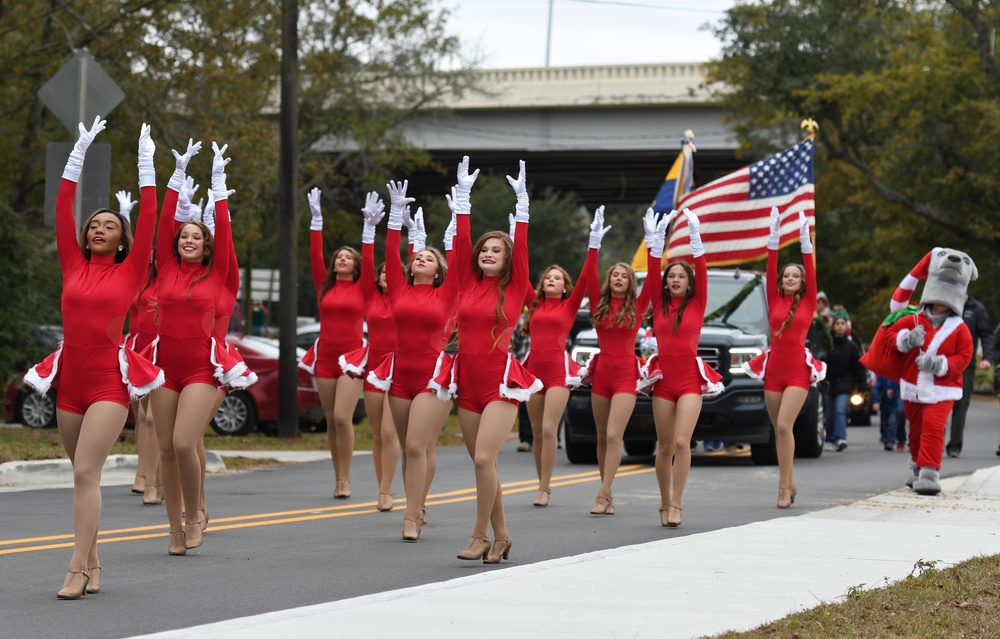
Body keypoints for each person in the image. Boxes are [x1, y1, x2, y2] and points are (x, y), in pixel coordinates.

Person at [29, 118, 160, 598]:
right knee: (83, 478)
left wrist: (146, 165)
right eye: (95, 225)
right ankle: (96, 562)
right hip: (71, 384)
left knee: (86, 473)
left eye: (110, 225)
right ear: (86, 237)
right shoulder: (71, 263)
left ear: (122, 241)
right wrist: (77, 153)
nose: (100, 228)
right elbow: (64, 206)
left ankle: (76, 568)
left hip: (108, 382)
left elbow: (148, 220)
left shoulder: (129, 274)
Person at [451, 157, 538, 564]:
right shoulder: (466, 282)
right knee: (481, 465)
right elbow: (460, 245)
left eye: (496, 251)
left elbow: (520, 247)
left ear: (507, 260)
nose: (488, 254)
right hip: (465, 382)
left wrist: (522, 206)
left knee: (486, 458)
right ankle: (503, 536)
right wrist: (462, 201)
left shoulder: (516, 286)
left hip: (500, 382)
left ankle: (479, 534)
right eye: (484, 249)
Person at [150, 139, 235, 555]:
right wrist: (176, 174)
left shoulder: (219, 273)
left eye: (196, 236)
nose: (188, 239)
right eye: (183, 235)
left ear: (206, 244)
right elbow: (164, 220)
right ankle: (173, 528)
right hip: (165, 368)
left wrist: (218, 185)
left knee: (185, 442)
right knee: (165, 448)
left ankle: (194, 515)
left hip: (203, 368)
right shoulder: (165, 267)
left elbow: (225, 236)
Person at [373, 180, 461, 541]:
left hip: (432, 378)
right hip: (400, 377)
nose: (420, 258)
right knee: (418, 448)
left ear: (438, 270)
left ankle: (411, 515)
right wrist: (395, 214)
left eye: (428, 257)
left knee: (414, 445)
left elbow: (459, 258)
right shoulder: (398, 288)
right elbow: (392, 252)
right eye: (417, 257)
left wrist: (458, 219)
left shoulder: (446, 293)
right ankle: (418, 503)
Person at [520, 207, 606, 507]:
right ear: (542, 284)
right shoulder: (533, 304)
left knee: (548, 429)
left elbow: (586, 276)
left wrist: (593, 242)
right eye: (548, 278)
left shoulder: (568, 307)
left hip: (558, 370)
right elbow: (520, 271)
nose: (551, 281)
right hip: (532, 370)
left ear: (565, 286)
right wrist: (516, 237)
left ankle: (545, 487)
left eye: (557, 278)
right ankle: (540, 480)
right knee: (536, 434)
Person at [321, 189, 401, 514]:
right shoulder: (363, 295)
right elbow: (366, 265)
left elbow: (382, 266)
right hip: (358, 365)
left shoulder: (398, 296)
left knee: (380, 428)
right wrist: (317, 222)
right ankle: (348, 479)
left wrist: (381, 228)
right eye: (379, 273)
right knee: (366, 429)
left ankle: (384, 489)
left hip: (395, 366)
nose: (383, 275)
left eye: (388, 273)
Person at [586, 208, 667, 516]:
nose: (619, 278)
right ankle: (606, 493)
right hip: (601, 373)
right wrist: (594, 242)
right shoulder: (599, 304)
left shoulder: (638, 306)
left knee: (613, 435)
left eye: (624, 275)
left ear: (630, 282)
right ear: (610, 280)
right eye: (615, 275)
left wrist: (653, 244)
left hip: (624, 376)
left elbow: (655, 283)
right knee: (601, 437)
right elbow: (588, 276)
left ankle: (603, 493)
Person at [744, 208, 825, 508]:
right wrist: (774, 238)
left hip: (797, 373)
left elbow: (811, 270)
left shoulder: (809, 302)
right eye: (786, 276)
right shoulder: (774, 297)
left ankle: (781, 487)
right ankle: (790, 482)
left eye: (796, 276)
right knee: (778, 428)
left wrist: (805, 243)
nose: (790, 278)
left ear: (803, 282)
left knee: (783, 426)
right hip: (773, 370)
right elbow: (770, 267)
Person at [647, 209, 722, 527]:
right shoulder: (659, 303)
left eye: (681, 276)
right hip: (663, 380)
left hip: (690, 379)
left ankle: (677, 503)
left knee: (681, 442)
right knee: (664, 446)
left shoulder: (698, 303)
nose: (675, 280)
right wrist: (656, 242)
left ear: (690, 283)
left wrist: (695, 237)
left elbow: (702, 270)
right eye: (671, 276)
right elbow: (651, 275)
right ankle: (664, 502)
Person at [307, 188, 366, 500]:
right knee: (331, 419)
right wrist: (316, 222)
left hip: (352, 360)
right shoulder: (324, 287)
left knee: (343, 417)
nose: (342, 259)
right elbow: (316, 256)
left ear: (356, 264)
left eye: (348, 257)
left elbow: (371, 261)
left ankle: (347, 478)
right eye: (338, 257)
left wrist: (369, 228)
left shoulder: (363, 288)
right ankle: (339, 477)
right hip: (325, 357)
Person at [125, 221, 162, 507]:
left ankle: (154, 482)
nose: (152, 256)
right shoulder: (141, 279)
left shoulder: (169, 280)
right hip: (137, 349)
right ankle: (142, 474)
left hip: (160, 350)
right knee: (141, 419)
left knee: (153, 419)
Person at [944, 294, 994, 458]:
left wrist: (987, 357)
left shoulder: (976, 308)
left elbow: (986, 334)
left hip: (966, 365)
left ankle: (955, 446)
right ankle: (934, 443)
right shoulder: (944, 304)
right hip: (943, 363)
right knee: (939, 403)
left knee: (961, 406)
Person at [823, 311, 868, 452]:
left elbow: (859, 367)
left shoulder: (852, 346)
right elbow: (821, 363)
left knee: (840, 410)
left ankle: (840, 438)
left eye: (842, 323)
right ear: (833, 327)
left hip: (845, 384)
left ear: (846, 326)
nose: (840, 326)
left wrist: (862, 386)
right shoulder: (827, 344)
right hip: (829, 384)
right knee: (829, 414)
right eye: (837, 324)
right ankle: (829, 439)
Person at [872, 374, 901, 451]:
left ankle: (890, 441)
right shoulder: (882, 374)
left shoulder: (899, 372)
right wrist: (876, 401)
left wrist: (893, 389)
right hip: (885, 403)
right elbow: (877, 387)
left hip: (896, 402)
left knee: (892, 422)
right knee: (884, 423)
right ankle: (885, 437)